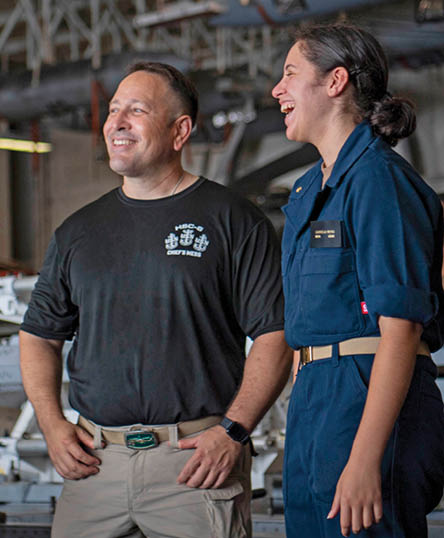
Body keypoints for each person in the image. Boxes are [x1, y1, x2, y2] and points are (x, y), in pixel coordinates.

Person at [19, 61, 292, 538]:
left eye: (137, 110)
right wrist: (52, 423)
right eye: (113, 109)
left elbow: (275, 334)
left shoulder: (233, 220)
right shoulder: (78, 231)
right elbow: (39, 335)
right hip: (94, 466)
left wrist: (234, 432)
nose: (116, 122)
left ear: (180, 130)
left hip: (195, 464)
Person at [272, 23, 444, 538]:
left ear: (335, 81)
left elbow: (401, 331)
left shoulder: (378, 182)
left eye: (289, 74)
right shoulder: (308, 190)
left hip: (366, 399)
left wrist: (365, 459)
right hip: (314, 401)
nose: (276, 90)